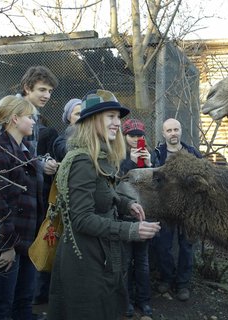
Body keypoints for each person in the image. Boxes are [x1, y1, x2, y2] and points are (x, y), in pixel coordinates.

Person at [47, 89, 161, 320]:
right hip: (85, 264)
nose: (117, 123)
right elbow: (81, 219)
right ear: (92, 120)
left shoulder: (98, 156)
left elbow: (104, 195)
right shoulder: (82, 161)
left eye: (118, 117)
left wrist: (126, 204)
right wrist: (130, 230)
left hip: (100, 254)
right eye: (110, 116)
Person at [0, 96, 44, 320]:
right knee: (0, 306)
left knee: (23, 302)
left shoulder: (25, 152)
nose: (34, 121)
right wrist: (7, 247)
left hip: (25, 240)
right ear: (15, 118)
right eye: (29, 117)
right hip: (4, 243)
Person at [19, 66, 59, 309]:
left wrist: (43, 162)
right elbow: (13, 155)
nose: (46, 95)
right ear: (27, 88)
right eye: (42, 89)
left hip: (30, 194)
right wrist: (39, 164)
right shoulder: (17, 112)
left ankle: (23, 308)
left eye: (50, 91)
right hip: (17, 196)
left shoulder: (32, 115)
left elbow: (29, 154)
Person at [152, 118, 202, 302]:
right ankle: (167, 279)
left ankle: (183, 284)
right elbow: (151, 178)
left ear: (181, 131)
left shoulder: (192, 153)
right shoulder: (157, 153)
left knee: (186, 248)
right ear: (163, 134)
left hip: (188, 211)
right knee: (163, 247)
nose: (173, 133)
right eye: (169, 130)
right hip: (164, 210)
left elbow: (203, 178)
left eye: (176, 129)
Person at [120, 118, 153, 317]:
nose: (136, 139)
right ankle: (126, 302)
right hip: (123, 214)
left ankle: (144, 301)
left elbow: (157, 184)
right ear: (124, 136)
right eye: (132, 135)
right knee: (125, 261)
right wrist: (129, 162)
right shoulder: (117, 155)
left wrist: (150, 163)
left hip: (145, 215)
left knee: (142, 261)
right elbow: (114, 179)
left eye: (139, 135)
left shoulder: (151, 154)